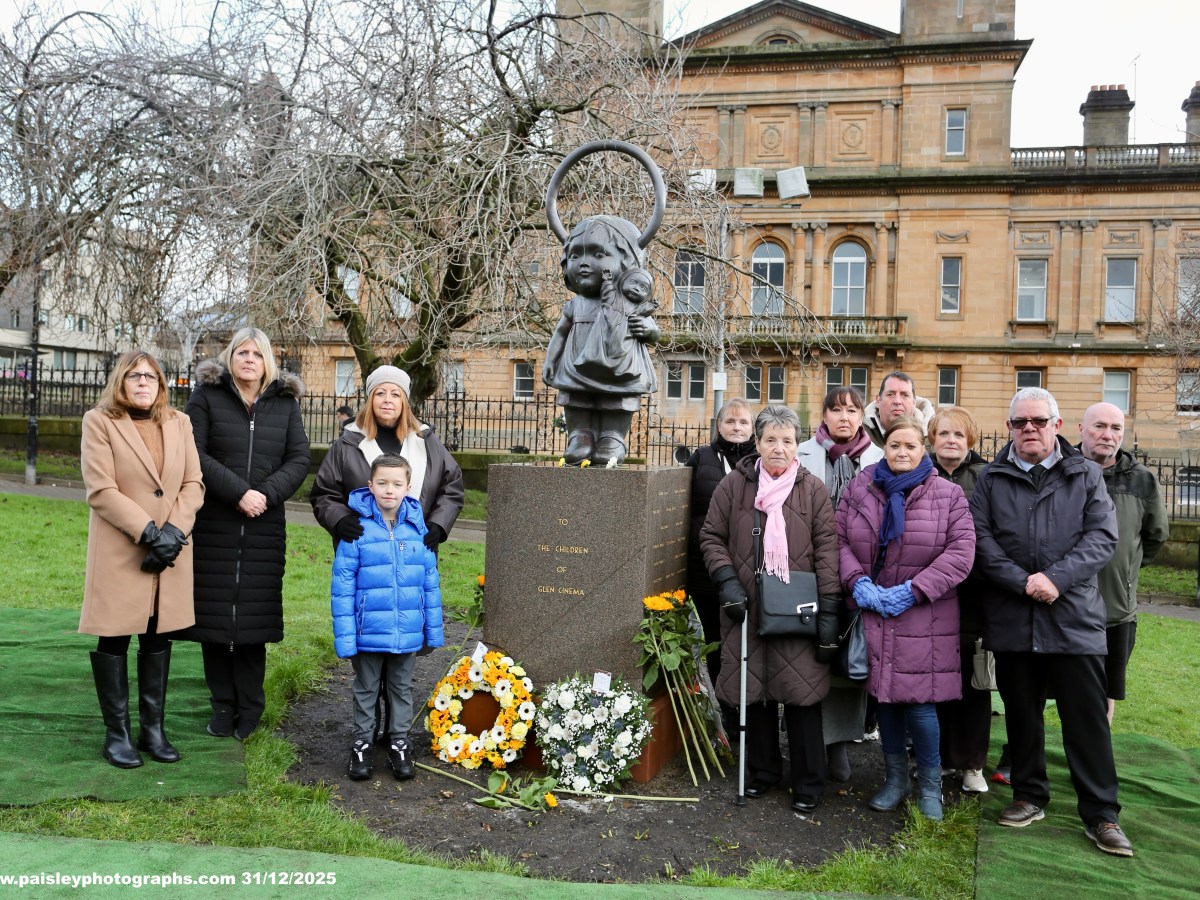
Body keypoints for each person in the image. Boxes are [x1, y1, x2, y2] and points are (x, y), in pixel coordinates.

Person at [970, 388, 1131, 857]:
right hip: (1014, 617)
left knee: (1087, 722)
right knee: (1022, 716)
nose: (1029, 429)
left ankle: (1102, 814)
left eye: (1038, 421)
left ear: (1057, 425)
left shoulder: (1085, 474)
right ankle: (1029, 795)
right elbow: (979, 540)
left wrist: (1055, 580)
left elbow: (1102, 537)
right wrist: (1023, 582)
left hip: (1073, 617)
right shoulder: (992, 478)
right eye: (1020, 422)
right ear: (1009, 428)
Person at [700, 405, 841, 814]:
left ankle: (809, 781)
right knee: (755, 691)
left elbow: (828, 551)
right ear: (757, 443)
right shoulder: (732, 486)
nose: (779, 449)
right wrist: (726, 579)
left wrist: (830, 611)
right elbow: (711, 536)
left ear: (797, 445)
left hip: (797, 607)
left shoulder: (812, 488)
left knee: (801, 694)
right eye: (771, 440)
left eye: (787, 441)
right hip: (746, 606)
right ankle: (762, 773)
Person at [311, 364, 463, 740]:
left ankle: (395, 734)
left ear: (405, 400)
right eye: (381, 393)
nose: (388, 400)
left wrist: (439, 526)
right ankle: (368, 729)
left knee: (400, 649)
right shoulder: (348, 443)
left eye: (395, 393)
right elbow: (323, 493)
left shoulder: (426, 441)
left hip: (412, 556)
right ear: (369, 398)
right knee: (370, 646)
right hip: (367, 561)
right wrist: (339, 518)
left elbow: (452, 486)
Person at [836, 415, 975, 821]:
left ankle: (931, 788)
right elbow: (839, 538)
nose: (901, 452)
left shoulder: (947, 495)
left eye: (910, 446)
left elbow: (961, 554)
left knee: (920, 706)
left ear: (923, 450)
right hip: (873, 607)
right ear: (884, 447)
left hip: (924, 614)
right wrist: (856, 582)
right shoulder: (860, 488)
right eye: (895, 445)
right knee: (886, 702)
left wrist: (912, 591)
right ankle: (895, 781)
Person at [183, 327, 311, 741]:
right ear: (230, 356)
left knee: (253, 624)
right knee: (215, 622)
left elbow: (298, 458)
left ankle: (250, 707)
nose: (249, 359)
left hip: (264, 525)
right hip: (215, 522)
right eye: (241, 352)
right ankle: (222, 706)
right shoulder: (206, 398)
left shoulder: (284, 403)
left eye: (257, 353)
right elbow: (194, 453)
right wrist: (238, 493)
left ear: (267, 360)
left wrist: (263, 496)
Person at [79, 350, 204, 767]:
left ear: (162, 384)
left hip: (170, 549)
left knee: (157, 633)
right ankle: (117, 735)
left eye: (152, 376)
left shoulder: (179, 422)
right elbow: (101, 489)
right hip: (123, 548)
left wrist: (171, 533)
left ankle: (153, 730)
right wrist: (149, 534)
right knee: (114, 635)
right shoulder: (99, 422)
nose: (144, 382)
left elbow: (193, 482)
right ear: (121, 381)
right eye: (135, 376)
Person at [332, 454, 443, 782]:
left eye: (397, 484)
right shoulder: (356, 530)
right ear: (370, 486)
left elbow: (430, 583)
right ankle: (362, 743)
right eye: (382, 483)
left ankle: (398, 742)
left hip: (406, 631)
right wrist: (346, 636)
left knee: (400, 687)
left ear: (408, 488)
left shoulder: (417, 530)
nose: (389, 490)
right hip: (369, 631)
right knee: (366, 687)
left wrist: (432, 633)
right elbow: (341, 587)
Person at [797, 385, 883, 783]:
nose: (844, 417)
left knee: (850, 661)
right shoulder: (803, 454)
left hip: (857, 575)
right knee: (812, 658)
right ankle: (814, 741)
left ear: (862, 416)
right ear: (825, 416)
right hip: (810, 573)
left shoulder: (878, 459)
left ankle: (841, 743)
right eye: (836, 409)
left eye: (852, 410)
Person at [1077, 402, 1169, 724]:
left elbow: (1156, 536)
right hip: (1066, 604)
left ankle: (1097, 758)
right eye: (1099, 426)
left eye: (1116, 428)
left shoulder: (1141, 480)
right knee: (1058, 685)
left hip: (1117, 609)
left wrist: (1127, 565)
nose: (1108, 435)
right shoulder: (1063, 470)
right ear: (1081, 430)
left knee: (1106, 689)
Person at [542, 216, 660, 466]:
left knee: (616, 398)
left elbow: (653, 331)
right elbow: (561, 332)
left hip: (619, 363)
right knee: (576, 397)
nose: (584, 263)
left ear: (628, 261)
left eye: (598, 254)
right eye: (575, 255)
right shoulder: (575, 304)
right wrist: (550, 360)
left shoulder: (628, 304)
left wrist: (648, 329)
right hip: (576, 362)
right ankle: (579, 435)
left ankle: (613, 438)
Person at [928, 406, 993, 795]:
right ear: (931, 440)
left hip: (974, 595)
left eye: (958, 435)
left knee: (973, 682)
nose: (950, 441)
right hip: (931, 595)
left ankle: (972, 763)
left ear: (969, 440)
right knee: (935, 681)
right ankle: (936, 760)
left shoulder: (986, 477)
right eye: (943, 434)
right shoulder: (921, 475)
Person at [684, 398, 757, 686]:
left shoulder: (759, 461)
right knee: (714, 639)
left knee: (745, 639)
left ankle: (744, 701)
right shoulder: (701, 459)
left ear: (752, 428)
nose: (736, 427)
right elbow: (683, 507)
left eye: (743, 422)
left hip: (748, 568)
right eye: (730, 421)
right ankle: (721, 699)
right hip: (706, 570)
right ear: (719, 425)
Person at [862, 371, 935, 447]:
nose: (897, 401)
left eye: (905, 395)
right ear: (878, 401)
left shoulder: (934, 436)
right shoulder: (859, 433)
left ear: (914, 402)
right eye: (890, 395)